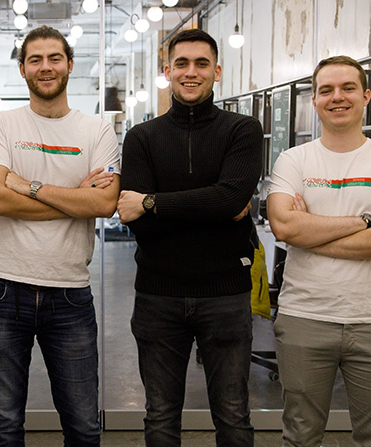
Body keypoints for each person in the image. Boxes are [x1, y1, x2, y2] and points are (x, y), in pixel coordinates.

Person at [117, 28, 263, 447]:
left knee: (233, 417)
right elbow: (139, 223)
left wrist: (151, 201)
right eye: (181, 63)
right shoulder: (142, 137)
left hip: (225, 295)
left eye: (202, 63)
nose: (191, 72)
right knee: (161, 418)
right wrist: (214, 204)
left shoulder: (242, 130)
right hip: (158, 296)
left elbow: (230, 198)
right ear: (168, 71)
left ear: (217, 71)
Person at [0, 25, 120, 447]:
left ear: (70, 65)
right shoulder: (1, 124)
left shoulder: (96, 131)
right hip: (2, 287)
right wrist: (76, 198)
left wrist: (29, 186)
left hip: (69, 291)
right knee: (4, 425)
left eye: (54, 58)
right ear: (22, 69)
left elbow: (104, 203)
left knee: (83, 426)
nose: (45, 67)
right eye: (35, 59)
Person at [267, 56, 371, 446]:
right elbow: (285, 227)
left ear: (366, 96)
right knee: (300, 437)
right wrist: (366, 222)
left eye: (348, 88)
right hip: (305, 317)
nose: (338, 97)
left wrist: (311, 232)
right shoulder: (293, 160)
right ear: (315, 100)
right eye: (327, 90)